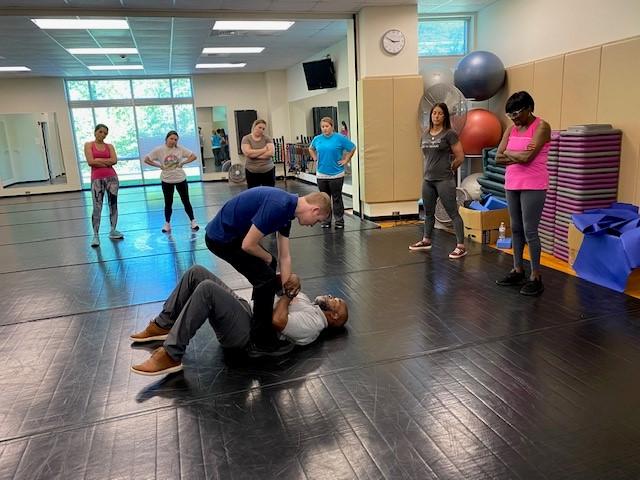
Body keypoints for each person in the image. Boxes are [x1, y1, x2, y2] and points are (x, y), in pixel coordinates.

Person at [129, 265, 349, 375]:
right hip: (246, 311)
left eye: (336, 301)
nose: (331, 296)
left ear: (335, 316)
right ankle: (162, 324)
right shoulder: (308, 302)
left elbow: (278, 322)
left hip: (247, 333)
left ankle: (171, 354)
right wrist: (290, 280)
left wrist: (288, 296)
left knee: (207, 290)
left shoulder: (314, 323)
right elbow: (279, 287)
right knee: (197, 272)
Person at [204, 186, 331, 355]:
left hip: (235, 235)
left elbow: (285, 256)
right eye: (317, 221)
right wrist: (269, 259)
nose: (313, 225)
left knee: (267, 270)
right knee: (265, 277)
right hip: (220, 238)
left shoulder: (288, 212)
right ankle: (261, 341)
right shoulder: (279, 206)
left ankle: (258, 315)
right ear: (315, 210)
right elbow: (248, 245)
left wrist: (288, 294)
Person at [495, 91, 551, 296]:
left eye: (517, 113)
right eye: (510, 114)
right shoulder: (511, 129)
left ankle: (535, 275)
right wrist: (515, 155)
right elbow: (497, 158)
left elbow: (528, 157)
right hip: (513, 183)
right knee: (516, 228)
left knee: (530, 230)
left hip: (534, 184)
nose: (514, 118)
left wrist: (510, 154)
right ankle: (517, 269)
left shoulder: (542, 127)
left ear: (529, 108)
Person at [409, 103, 467, 259]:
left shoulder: (450, 134)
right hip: (428, 180)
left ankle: (461, 246)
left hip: (444, 180)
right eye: (434, 113)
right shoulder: (426, 134)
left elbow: (460, 156)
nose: (436, 116)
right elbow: (426, 156)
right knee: (428, 213)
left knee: (453, 213)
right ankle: (426, 240)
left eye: (440, 113)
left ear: (445, 116)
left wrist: (450, 169)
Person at [144, 130, 199, 233]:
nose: (173, 141)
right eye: (171, 138)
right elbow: (146, 159)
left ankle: (193, 221)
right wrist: (159, 165)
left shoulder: (180, 149)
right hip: (167, 180)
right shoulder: (159, 150)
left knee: (186, 201)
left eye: (175, 139)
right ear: (166, 139)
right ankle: (167, 223)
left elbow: (193, 156)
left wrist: (183, 162)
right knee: (168, 203)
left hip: (180, 179)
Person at [308, 117, 356, 229]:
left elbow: (352, 148)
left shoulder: (340, 138)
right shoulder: (317, 139)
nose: (324, 129)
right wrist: (315, 158)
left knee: (336, 198)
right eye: (323, 127)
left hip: (336, 174)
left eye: (327, 126)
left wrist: (346, 160)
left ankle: (339, 221)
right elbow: (311, 149)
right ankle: (326, 220)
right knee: (324, 199)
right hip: (321, 173)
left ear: (332, 126)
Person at [84, 124, 124, 248]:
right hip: (97, 179)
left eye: (105, 133)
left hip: (112, 178)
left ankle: (113, 230)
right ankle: (95, 235)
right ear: (95, 132)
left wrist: (98, 161)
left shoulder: (109, 146)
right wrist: (106, 162)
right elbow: (91, 162)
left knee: (113, 204)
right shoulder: (88, 145)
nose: (103, 135)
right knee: (97, 206)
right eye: (100, 132)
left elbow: (114, 160)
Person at [241, 119, 276, 188]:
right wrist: (264, 150)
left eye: (263, 129)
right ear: (254, 126)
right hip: (251, 171)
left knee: (269, 193)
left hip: (268, 170)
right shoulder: (246, 138)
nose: (261, 130)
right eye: (259, 127)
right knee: (253, 194)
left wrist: (253, 155)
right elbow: (247, 153)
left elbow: (271, 153)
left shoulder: (267, 138)